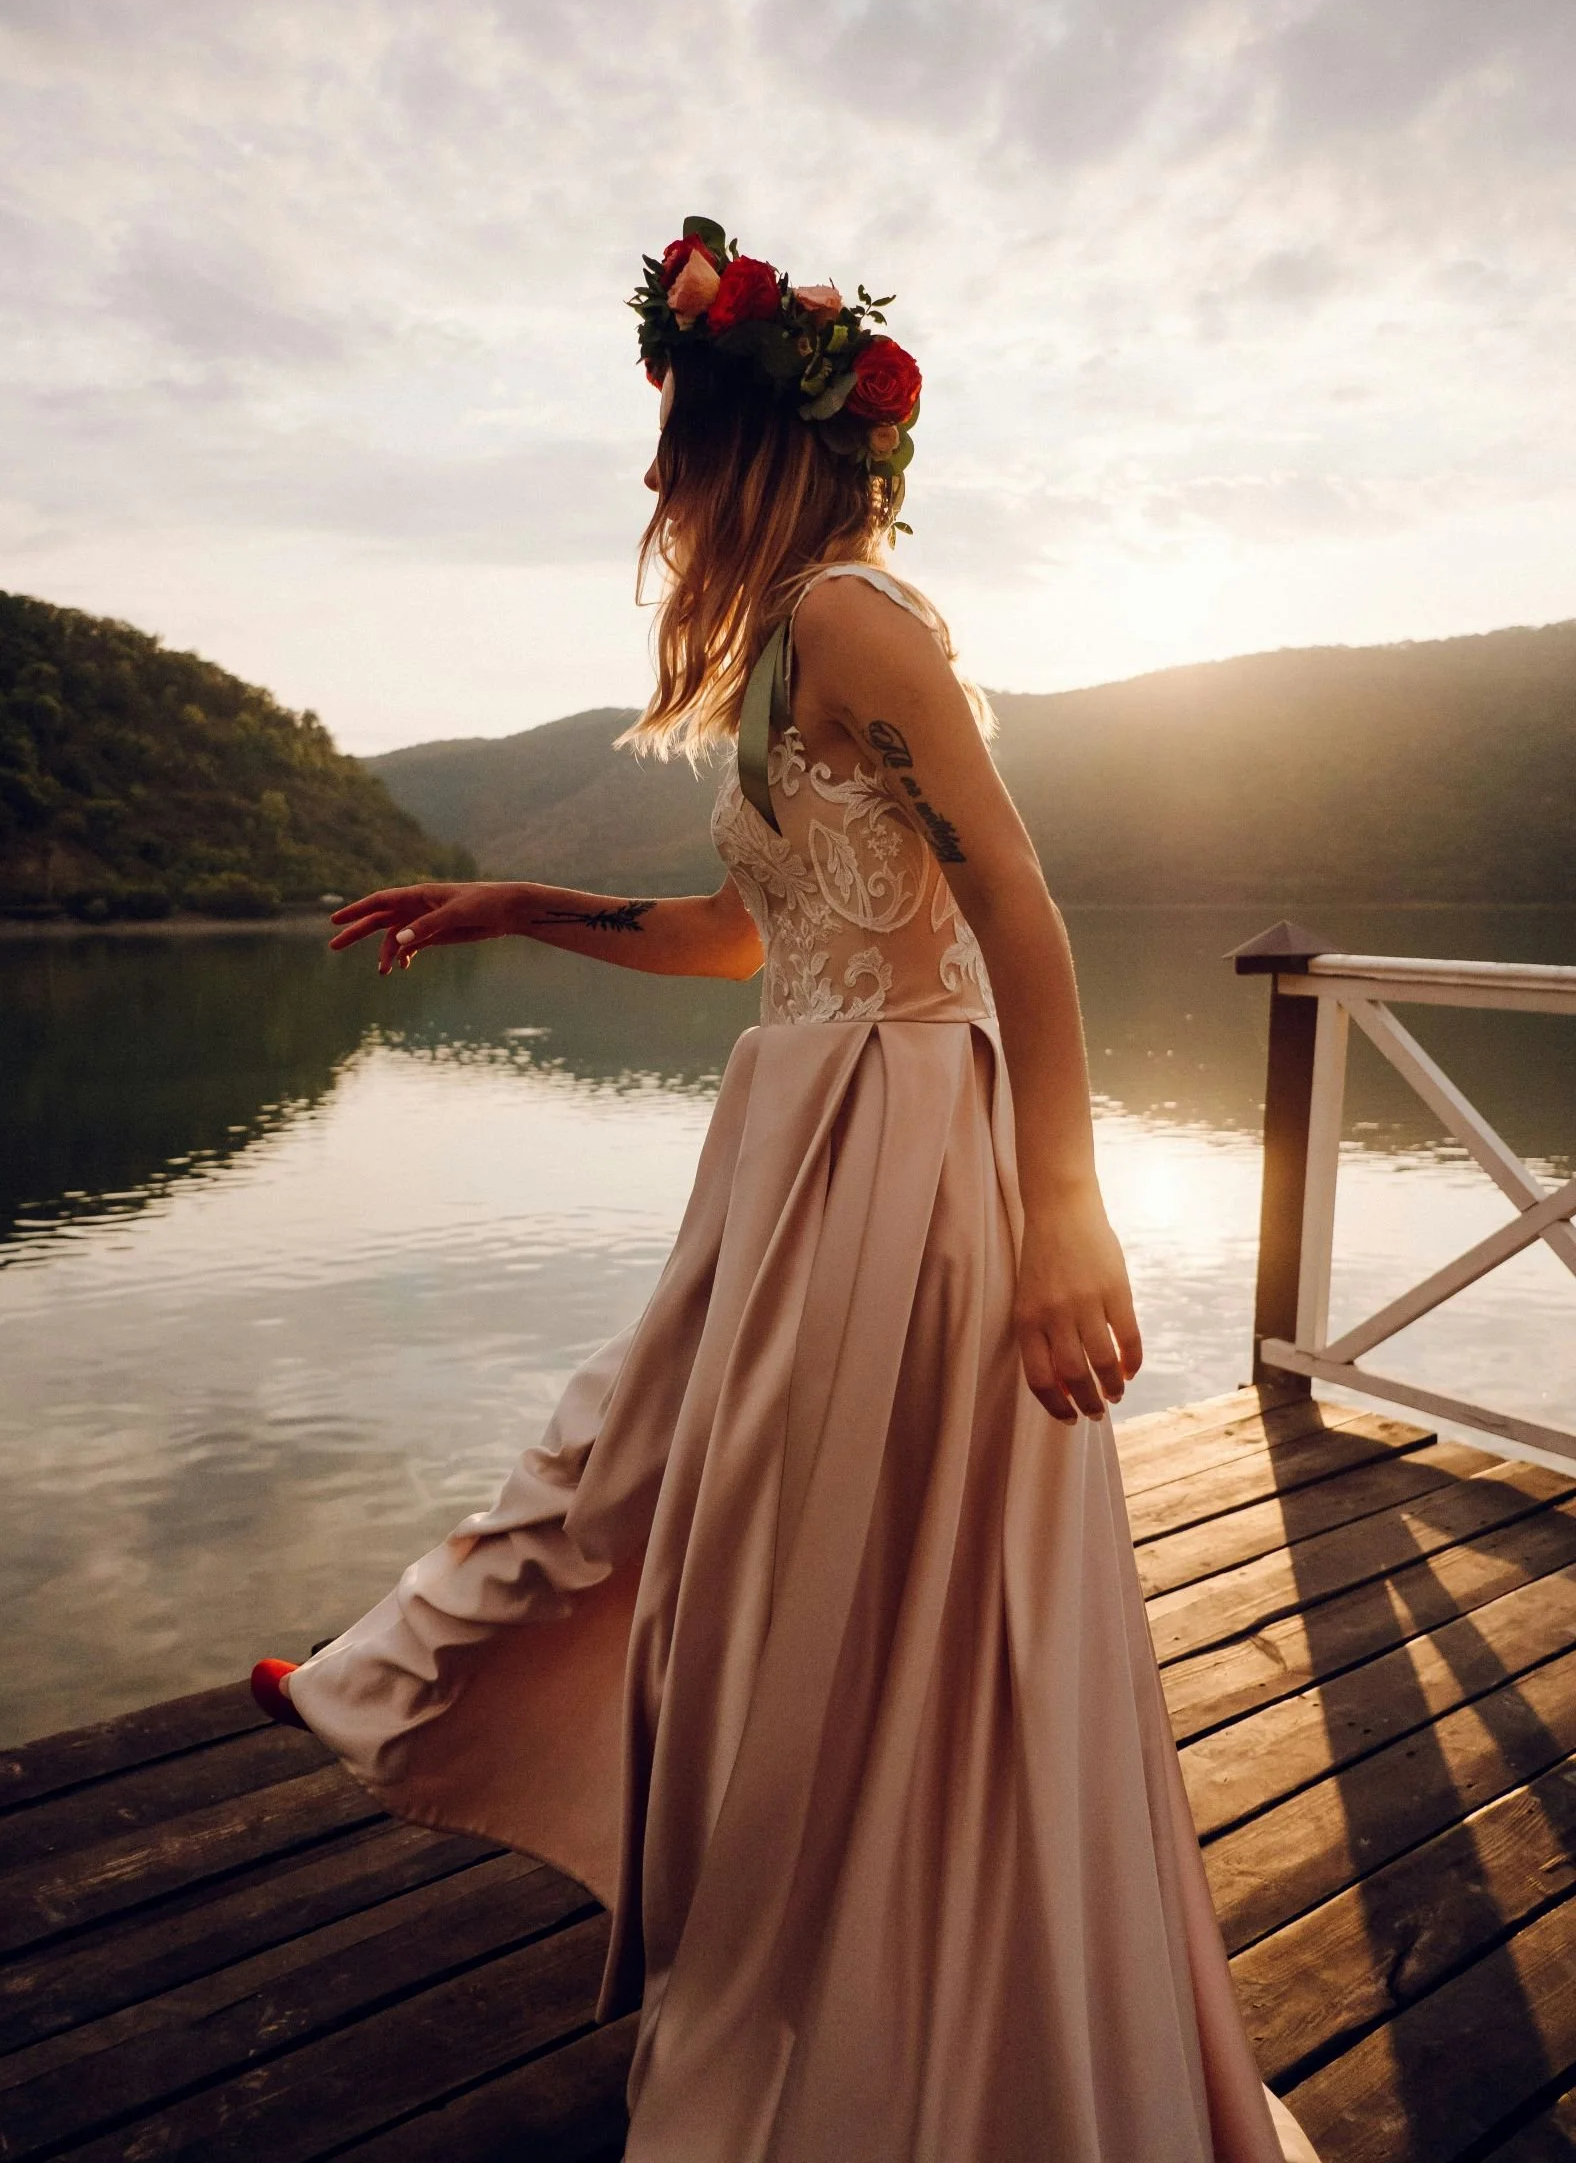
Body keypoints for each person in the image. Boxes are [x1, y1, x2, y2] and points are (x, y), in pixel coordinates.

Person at [254, 220, 1317, 2162]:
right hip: (799, 1140)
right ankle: (433, 1696)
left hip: (905, 1153)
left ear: (749, 439)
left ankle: (895, 2003)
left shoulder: (853, 619)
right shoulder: (781, 654)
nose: (657, 478)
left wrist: (1062, 1210)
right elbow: (742, 938)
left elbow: (1016, 905)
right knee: (691, 1493)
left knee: (831, 1545)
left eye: (676, 432)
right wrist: (515, 903)